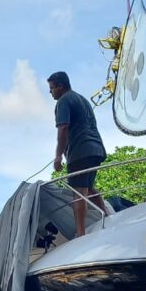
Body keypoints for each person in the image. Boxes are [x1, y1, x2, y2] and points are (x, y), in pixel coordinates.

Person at [47, 70, 108, 238]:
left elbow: (63, 127)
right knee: (88, 186)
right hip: (96, 148)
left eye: (52, 88)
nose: (50, 92)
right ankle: (108, 216)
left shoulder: (63, 101)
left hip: (80, 150)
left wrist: (58, 155)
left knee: (78, 191)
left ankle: (80, 232)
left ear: (60, 86)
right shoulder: (82, 99)